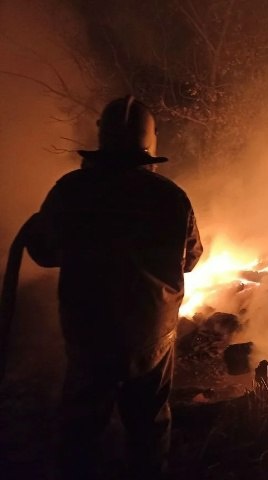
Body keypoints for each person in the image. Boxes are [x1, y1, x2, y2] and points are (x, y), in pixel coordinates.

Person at [24, 95, 203, 479]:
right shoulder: (172, 197)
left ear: (102, 138)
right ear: (150, 142)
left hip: (90, 330)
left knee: (82, 426)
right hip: (151, 332)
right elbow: (190, 258)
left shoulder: (72, 190)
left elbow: (42, 251)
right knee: (149, 424)